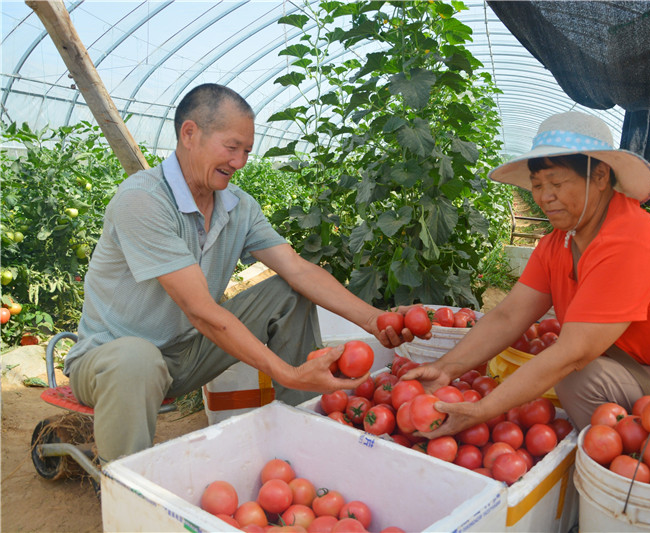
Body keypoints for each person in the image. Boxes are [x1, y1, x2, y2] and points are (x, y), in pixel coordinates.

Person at [64, 83, 414, 463]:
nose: (240, 162)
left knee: (288, 292)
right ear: (190, 133)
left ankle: (305, 438)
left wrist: (373, 319)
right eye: (232, 147)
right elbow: (200, 309)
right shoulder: (143, 200)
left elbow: (296, 268)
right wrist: (286, 371)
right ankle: (128, 492)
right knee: (137, 358)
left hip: (186, 354)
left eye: (247, 151)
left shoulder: (238, 207)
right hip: (111, 363)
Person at [404, 111, 650, 436]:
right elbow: (509, 315)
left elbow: (574, 353)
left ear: (600, 176)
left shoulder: (629, 241)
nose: (545, 197)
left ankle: (642, 464)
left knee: (579, 377)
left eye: (557, 183)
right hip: (649, 369)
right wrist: (447, 369)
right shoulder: (558, 244)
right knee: (576, 370)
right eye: (538, 185)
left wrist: (483, 409)